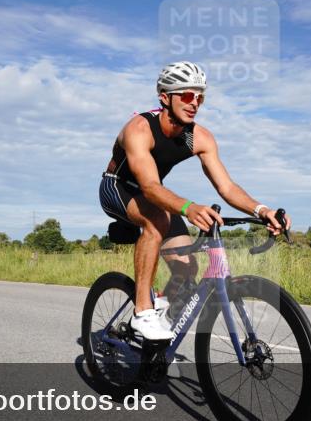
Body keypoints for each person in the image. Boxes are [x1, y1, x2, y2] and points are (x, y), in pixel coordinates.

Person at [99, 61, 290, 340]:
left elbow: (226, 186)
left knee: (187, 268)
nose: (195, 103)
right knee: (155, 220)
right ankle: (143, 312)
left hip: (156, 195)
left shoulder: (200, 137)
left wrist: (261, 210)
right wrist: (189, 208)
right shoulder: (139, 128)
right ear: (165, 97)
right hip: (118, 186)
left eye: (200, 98)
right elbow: (149, 187)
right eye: (187, 95)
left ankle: (160, 324)